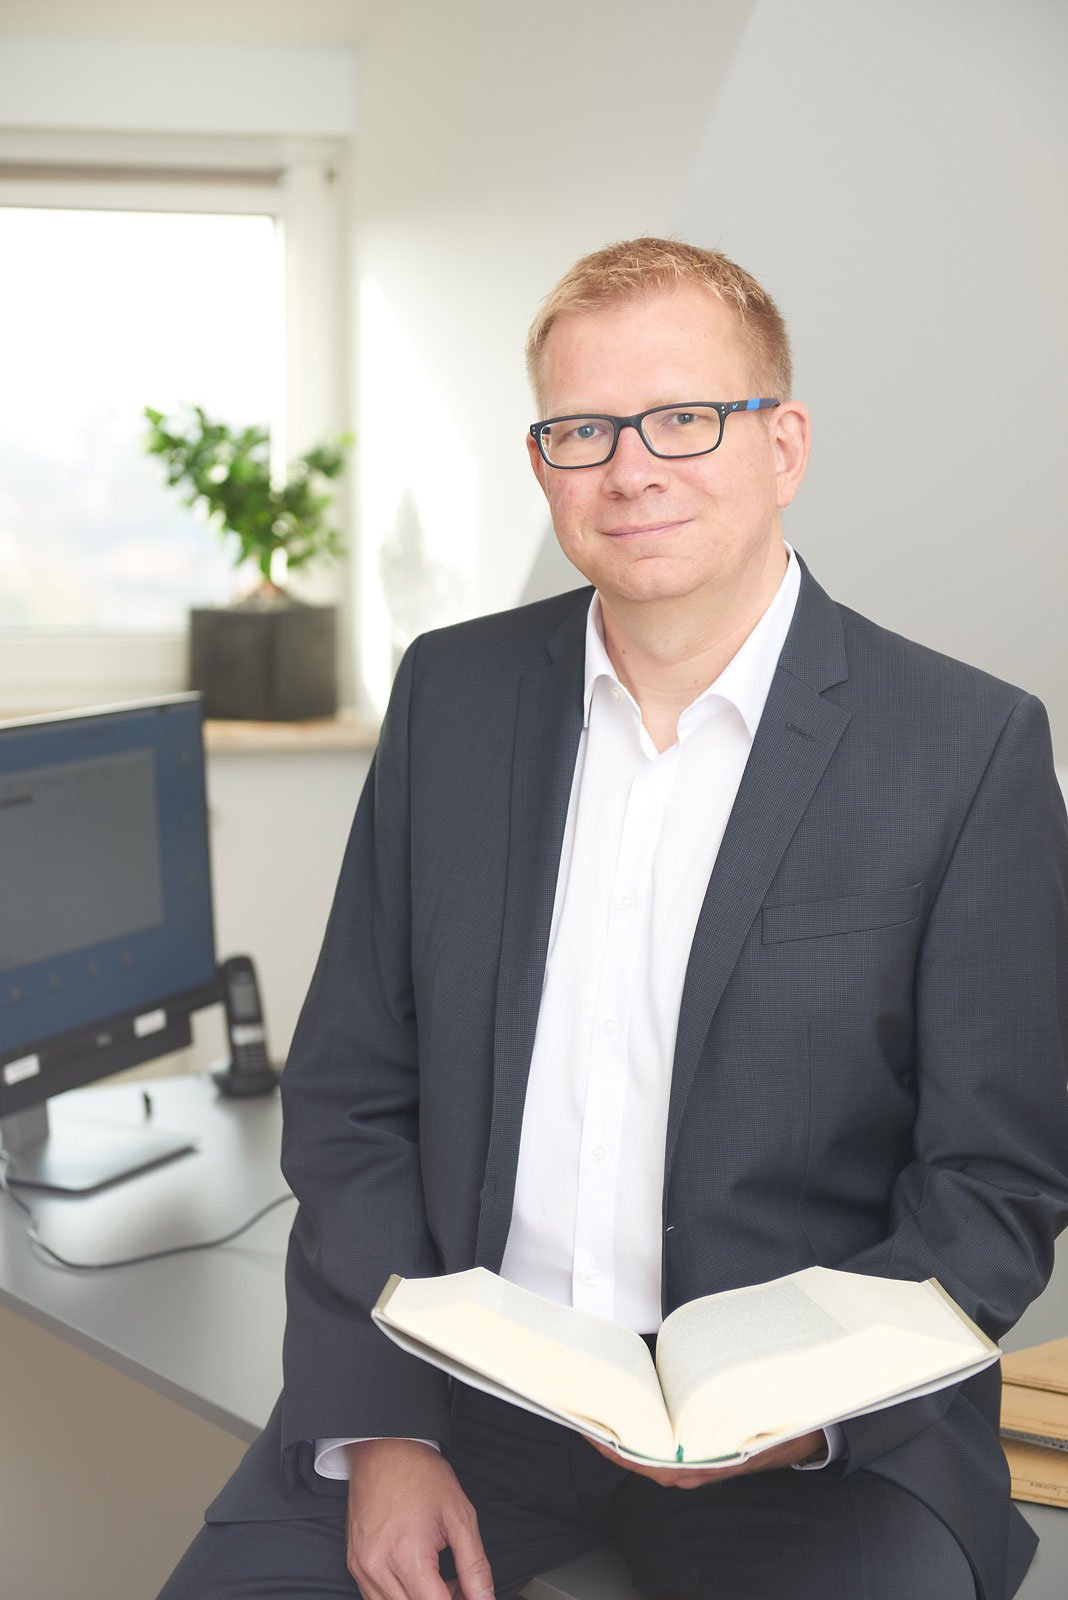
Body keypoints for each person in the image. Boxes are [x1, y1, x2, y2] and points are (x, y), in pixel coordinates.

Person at [158, 238, 1068, 1600]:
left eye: (683, 418)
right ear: (545, 466)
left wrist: (806, 1415)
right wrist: (387, 1429)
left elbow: (996, 1178)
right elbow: (352, 1087)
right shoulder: (451, 697)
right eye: (583, 430)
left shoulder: (964, 747)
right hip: (463, 1390)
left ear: (783, 445)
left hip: (814, 1446)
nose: (631, 469)